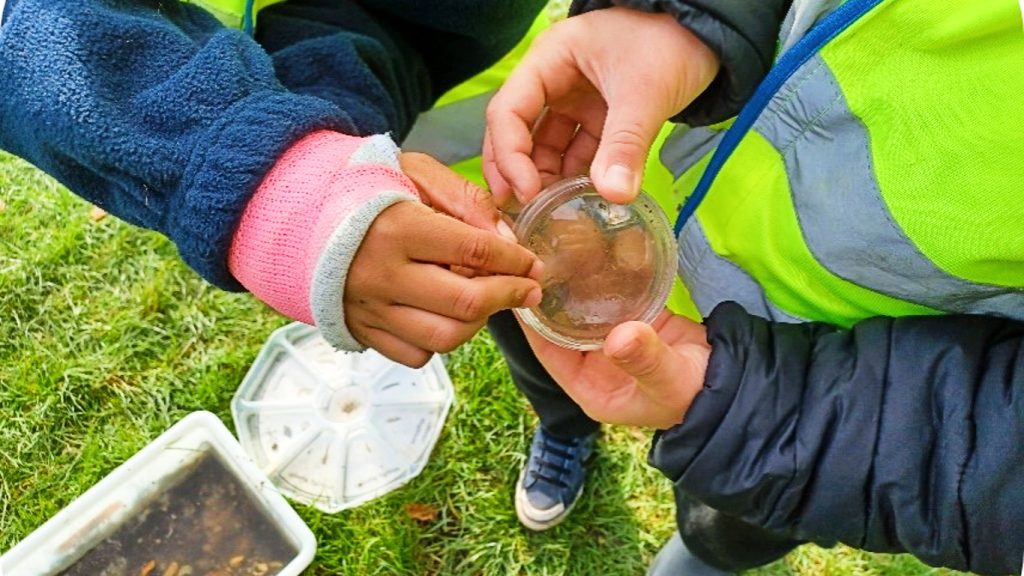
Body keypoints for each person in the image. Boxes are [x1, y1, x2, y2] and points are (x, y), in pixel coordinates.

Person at [485, 1, 1024, 575]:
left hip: (826, 402)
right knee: (537, 337)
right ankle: (566, 431)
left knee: (721, 531)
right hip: (637, 203)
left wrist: (759, 419)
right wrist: (690, 17)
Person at [0, 0, 547, 369]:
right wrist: (271, 175)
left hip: (534, 120)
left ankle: (566, 426)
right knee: (517, 327)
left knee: (542, 307)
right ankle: (563, 433)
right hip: (416, 180)